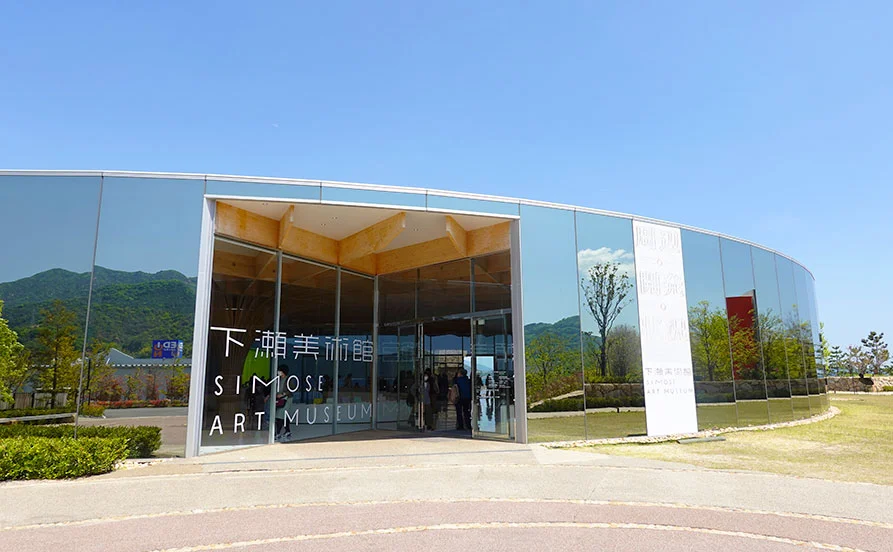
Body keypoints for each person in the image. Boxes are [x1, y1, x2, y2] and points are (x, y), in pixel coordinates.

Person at [274, 367, 291, 440]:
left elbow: (291, 390)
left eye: (280, 371)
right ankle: (287, 431)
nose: (279, 372)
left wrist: (283, 394)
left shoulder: (288, 379)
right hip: (280, 399)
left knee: (280, 415)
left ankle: (277, 433)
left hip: (287, 399)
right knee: (284, 416)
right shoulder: (279, 379)